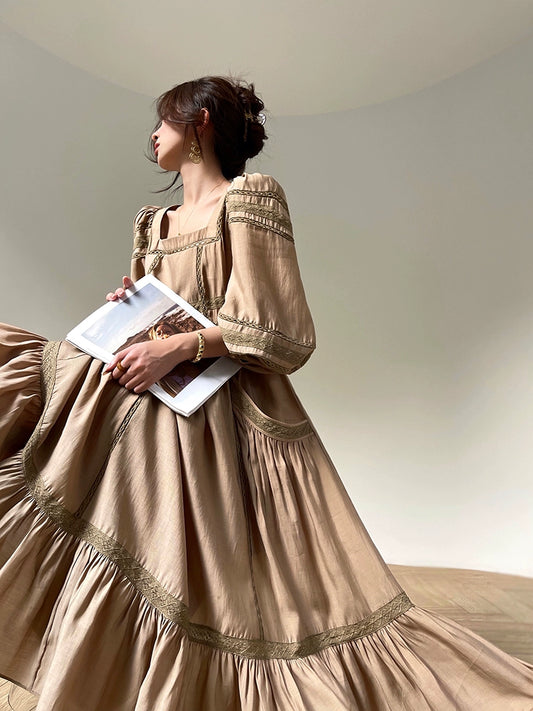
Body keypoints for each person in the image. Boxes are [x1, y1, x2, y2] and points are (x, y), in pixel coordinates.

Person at [0, 76, 532, 711]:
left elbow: (278, 329)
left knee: (230, 592)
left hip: (225, 415)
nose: (154, 135)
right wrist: (131, 302)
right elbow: (163, 312)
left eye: (164, 121)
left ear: (199, 123)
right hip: (147, 408)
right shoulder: (153, 223)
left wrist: (178, 346)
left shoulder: (250, 199)